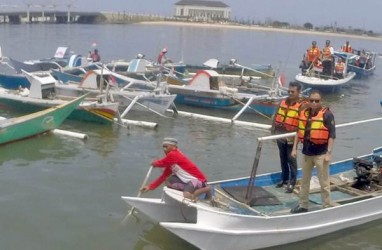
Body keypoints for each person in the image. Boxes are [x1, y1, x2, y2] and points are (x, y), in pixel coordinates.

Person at [290, 90, 336, 213]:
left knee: (324, 182)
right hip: (307, 153)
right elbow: (298, 132)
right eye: (311, 100)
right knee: (304, 181)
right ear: (308, 101)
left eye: (317, 101)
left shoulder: (327, 115)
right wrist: (294, 148)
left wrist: (328, 154)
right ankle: (303, 205)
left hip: (321, 154)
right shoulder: (304, 113)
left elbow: (332, 135)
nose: (314, 103)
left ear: (320, 101)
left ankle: (326, 205)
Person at [140, 137, 211, 200]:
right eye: (163, 147)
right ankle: (188, 193)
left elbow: (162, 163)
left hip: (198, 180)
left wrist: (155, 163)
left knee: (186, 195)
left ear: (174, 147)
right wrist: (150, 187)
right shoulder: (171, 162)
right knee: (168, 182)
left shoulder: (174, 154)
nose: (164, 150)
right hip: (188, 181)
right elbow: (163, 176)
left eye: (166, 147)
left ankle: (204, 190)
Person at [271, 81, 306, 193]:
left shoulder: (302, 105)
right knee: (282, 158)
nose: (290, 93)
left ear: (298, 92)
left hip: (292, 136)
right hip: (281, 135)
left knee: (291, 159)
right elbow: (276, 115)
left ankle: (292, 182)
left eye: (293, 92)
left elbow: (302, 124)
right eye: (289, 91)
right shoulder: (282, 102)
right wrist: (273, 129)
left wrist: (299, 139)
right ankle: (284, 179)